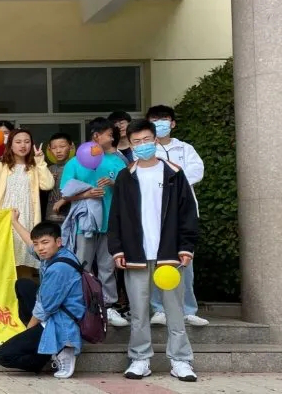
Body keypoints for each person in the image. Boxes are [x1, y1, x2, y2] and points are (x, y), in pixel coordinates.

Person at [109, 119, 199, 382]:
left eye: (146, 139)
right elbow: (116, 216)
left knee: (175, 310)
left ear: (155, 140)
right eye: (136, 142)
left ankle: (181, 360)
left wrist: (186, 247)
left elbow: (188, 214)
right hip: (136, 254)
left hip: (169, 254)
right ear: (131, 145)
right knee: (138, 312)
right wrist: (117, 250)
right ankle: (140, 359)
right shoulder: (126, 176)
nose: (142, 145)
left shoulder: (174, 173)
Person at [0, 216, 84, 379]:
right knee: (23, 285)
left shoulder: (59, 268)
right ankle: (40, 341)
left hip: (62, 321)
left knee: (3, 356)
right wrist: (14, 222)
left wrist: (28, 332)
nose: (40, 248)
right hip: (57, 309)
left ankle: (56, 352)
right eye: (37, 244)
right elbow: (30, 246)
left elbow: (44, 308)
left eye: (45, 242)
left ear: (58, 242)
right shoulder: (55, 254)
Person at [59, 118, 128, 327]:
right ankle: (81, 305)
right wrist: (86, 194)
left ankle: (109, 305)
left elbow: (130, 190)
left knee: (108, 266)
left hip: (111, 222)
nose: (112, 138)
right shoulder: (75, 162)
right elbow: (65, 193)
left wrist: (114, 183)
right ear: (96, 136)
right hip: (84, 223)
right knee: (83, 264)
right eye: (109, 134)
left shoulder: (117, 161)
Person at [145, 105, 207, 327]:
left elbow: (197, 171)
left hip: (182, 212)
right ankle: (159, 309)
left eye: (164, 119)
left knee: (185, 261)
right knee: (156, 260)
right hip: (155, 214)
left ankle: (188, 309)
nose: (159, 123)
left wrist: (171, 180)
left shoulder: (185, 148)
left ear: (172, 123)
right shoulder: (146, 149)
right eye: (154, 120)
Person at [0, 129, 54, 277]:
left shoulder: (34, 167)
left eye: (27, 142)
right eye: (18, 142)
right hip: (5, 217)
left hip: (27, 216)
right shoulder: (0, 166)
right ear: (10, 145)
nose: (23, 145)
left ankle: (24, 288)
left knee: (26, 258)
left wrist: (40, 161)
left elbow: (48, 185)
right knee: (5, 258)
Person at [43, 133, 73, 225]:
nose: (58, 151)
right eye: (54, 148)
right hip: (50, 217)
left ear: (71, 146)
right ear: (49, 149)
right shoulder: (48, 169)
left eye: (62, 146)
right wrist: (48, 181)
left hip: (70, 217)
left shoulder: (75, 167)